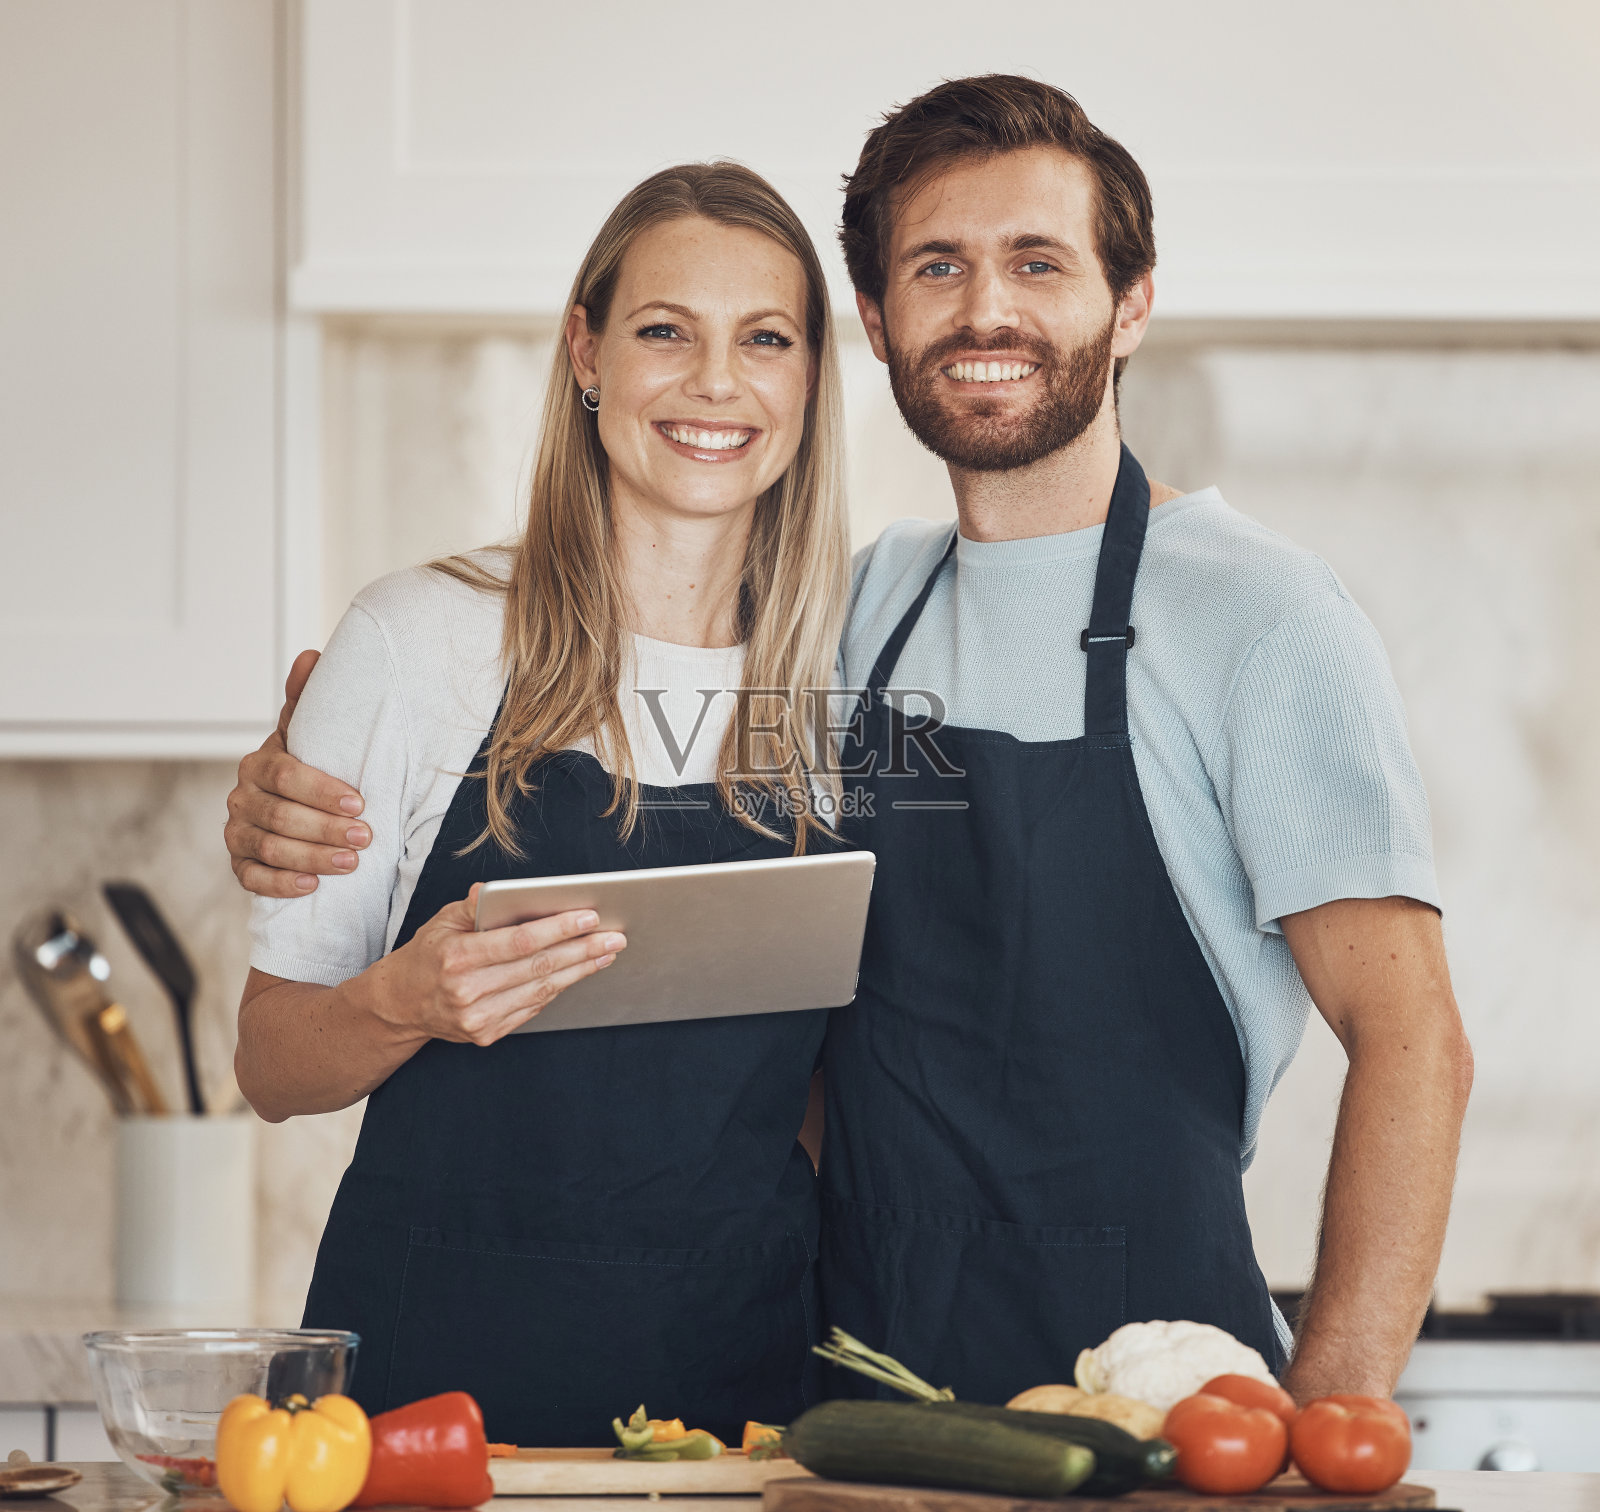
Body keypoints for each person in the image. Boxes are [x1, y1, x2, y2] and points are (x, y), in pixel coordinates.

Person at [227, 78, 1473, 1407]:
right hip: (855, 1393)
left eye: (1038, 262)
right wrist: (294, 786)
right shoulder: (851, 620)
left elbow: (1414, 1042)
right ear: (878, 323)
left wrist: (1337, 1427)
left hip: (1157, 1386)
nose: (987, 310)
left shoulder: (1259, 615)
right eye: (940, 266)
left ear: (1132, 303)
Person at [232, 162, 852, 1445]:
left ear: (809, 381)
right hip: (425, 1394)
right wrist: (400, 998)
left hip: (740, 1412)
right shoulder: (420, 642)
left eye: (767, 339)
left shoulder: (855, 676)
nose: (715, 384)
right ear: (587, 351)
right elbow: (270, 1062)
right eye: (663, 331)